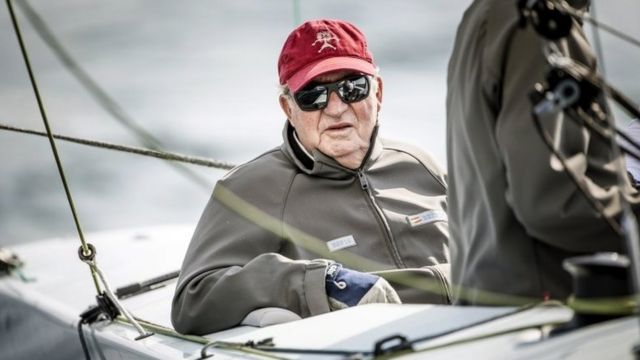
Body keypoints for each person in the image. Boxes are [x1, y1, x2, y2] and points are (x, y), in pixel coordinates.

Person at [172, 19, 451, 335]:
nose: (335, 108)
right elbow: (192, 301)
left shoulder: (421, 164)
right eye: (313, 95)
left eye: (352, 88)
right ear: (288, 108)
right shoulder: (252, 189)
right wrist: (323, 282)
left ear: (379, 92)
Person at [446, 0, 637, 306]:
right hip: (554, 308)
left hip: (506, 304)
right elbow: (552, 203)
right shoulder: (537, 21)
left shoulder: (494, 13)